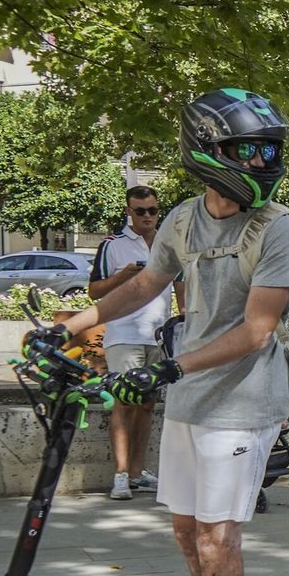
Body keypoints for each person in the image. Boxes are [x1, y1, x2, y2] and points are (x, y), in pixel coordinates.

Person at [23, 88, 289, 576]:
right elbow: (146, 285)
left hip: (242, 402)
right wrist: (69, 327)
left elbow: (259, 329)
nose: (263, 160)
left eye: (269, 150)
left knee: (218, 539)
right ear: (206, 151)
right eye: (248, 149)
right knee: (188, 532)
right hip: (189, 399)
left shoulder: (279, 228)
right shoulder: (181, 218)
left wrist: (167, 367)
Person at [88, 185, 173, 500]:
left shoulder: (167, 243)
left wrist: (183, 324)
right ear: (128, 211)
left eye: (152, 210)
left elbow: (180, 284)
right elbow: (94, 291)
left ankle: (138, 472)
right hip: (124, 335)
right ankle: (121, 475)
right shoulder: (113, 245)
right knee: (124, 403)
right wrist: (123, 276)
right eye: (140, 211)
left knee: (147, 406)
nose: (147, 216)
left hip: (158, 335)